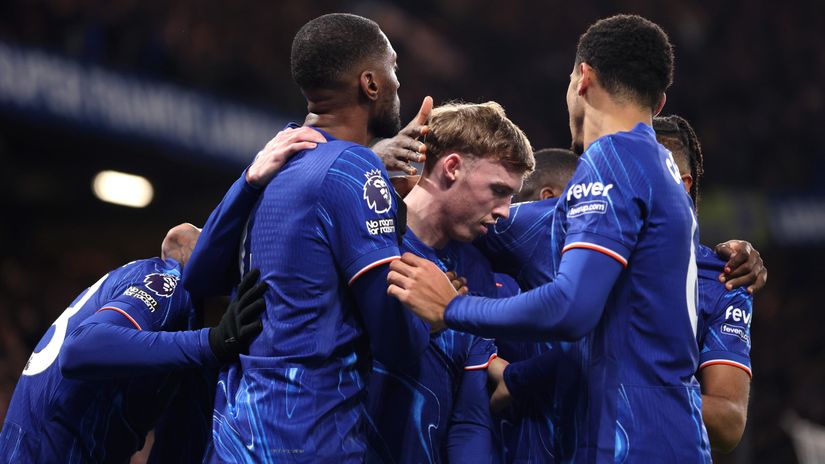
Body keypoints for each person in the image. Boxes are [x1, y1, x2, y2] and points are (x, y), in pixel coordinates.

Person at [388, 14, 712, 462]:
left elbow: (570, 308)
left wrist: (451, 308)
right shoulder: (661, 172)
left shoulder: (613, 159)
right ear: (658, 103)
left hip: (630, 439)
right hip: (662, 432)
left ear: (583, 79)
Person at [182, 13, 432, 463]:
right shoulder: (354, 167)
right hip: (310, 438)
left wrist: (246, 181)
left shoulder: (275, 159)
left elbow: (199, 280)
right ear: (370, 83)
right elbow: (398, 344)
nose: (399, 82)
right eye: (394, 67)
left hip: (236, 435)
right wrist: (437, 309)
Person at [0, 224, 266, 463]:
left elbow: (177, 444)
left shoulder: (188, 333)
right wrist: (210, 342)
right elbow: (79, 348)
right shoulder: (169, 284)